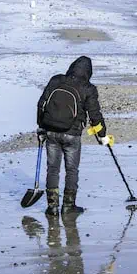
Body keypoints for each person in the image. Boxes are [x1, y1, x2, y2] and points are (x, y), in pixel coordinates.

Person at [37, 56, 107, 215]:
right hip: (72, 134)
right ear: (89, 72)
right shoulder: (88, 88)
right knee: (72, 170)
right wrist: (102, 136)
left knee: (52, 169)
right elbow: (95, 115)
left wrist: (41, 127)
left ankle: (52, 207)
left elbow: (41, 104)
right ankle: (68, 206)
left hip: (51, 131)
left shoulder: (56, 80)